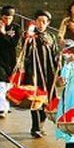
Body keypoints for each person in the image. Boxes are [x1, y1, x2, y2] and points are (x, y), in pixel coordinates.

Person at [22, 10, 58, 138]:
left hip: (49, 73)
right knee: (35, 100)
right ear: (35, 22)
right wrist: (28, 38)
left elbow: (55, 55)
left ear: (48, 23)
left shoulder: (51, 37)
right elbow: (25, 52)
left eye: (44, 21)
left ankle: (41, 125)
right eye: (39, 21)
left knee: (46, 101)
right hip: (34, 73)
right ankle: (35, 127)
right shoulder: (30, 36)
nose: (41, 24)